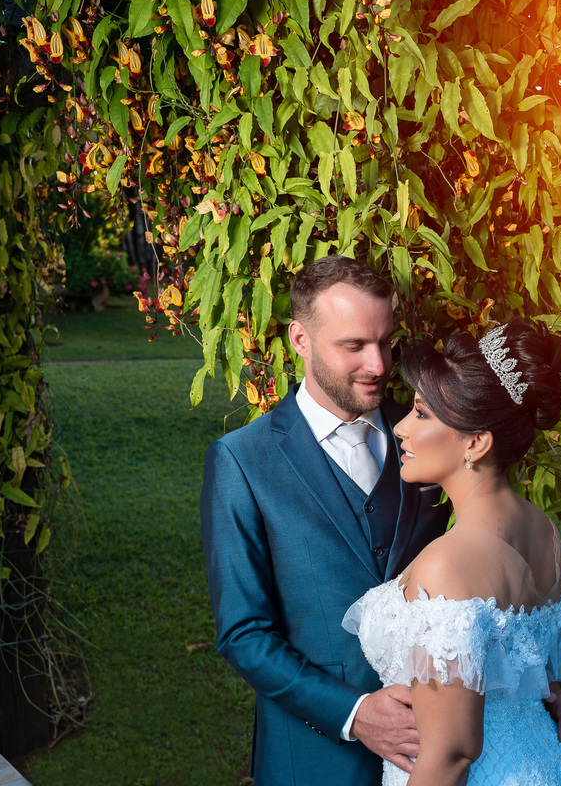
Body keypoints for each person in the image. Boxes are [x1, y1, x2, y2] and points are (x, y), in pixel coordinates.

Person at [199, 256, 451, 785]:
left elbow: (476, 571)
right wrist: (356, 714)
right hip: (311, 759)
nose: (379, 364)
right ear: (299, 340)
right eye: (353, 346)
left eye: (385, 342)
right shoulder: (242, 462)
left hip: (436, 750)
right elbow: (244, 634)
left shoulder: (431, 436)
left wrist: (534, 683)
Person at [342, 319, 561, 786]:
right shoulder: (543, 530)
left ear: (476, 442)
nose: (400, 426)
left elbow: (453, 755)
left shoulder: (447, 564)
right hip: (550, 765)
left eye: (421, 413)